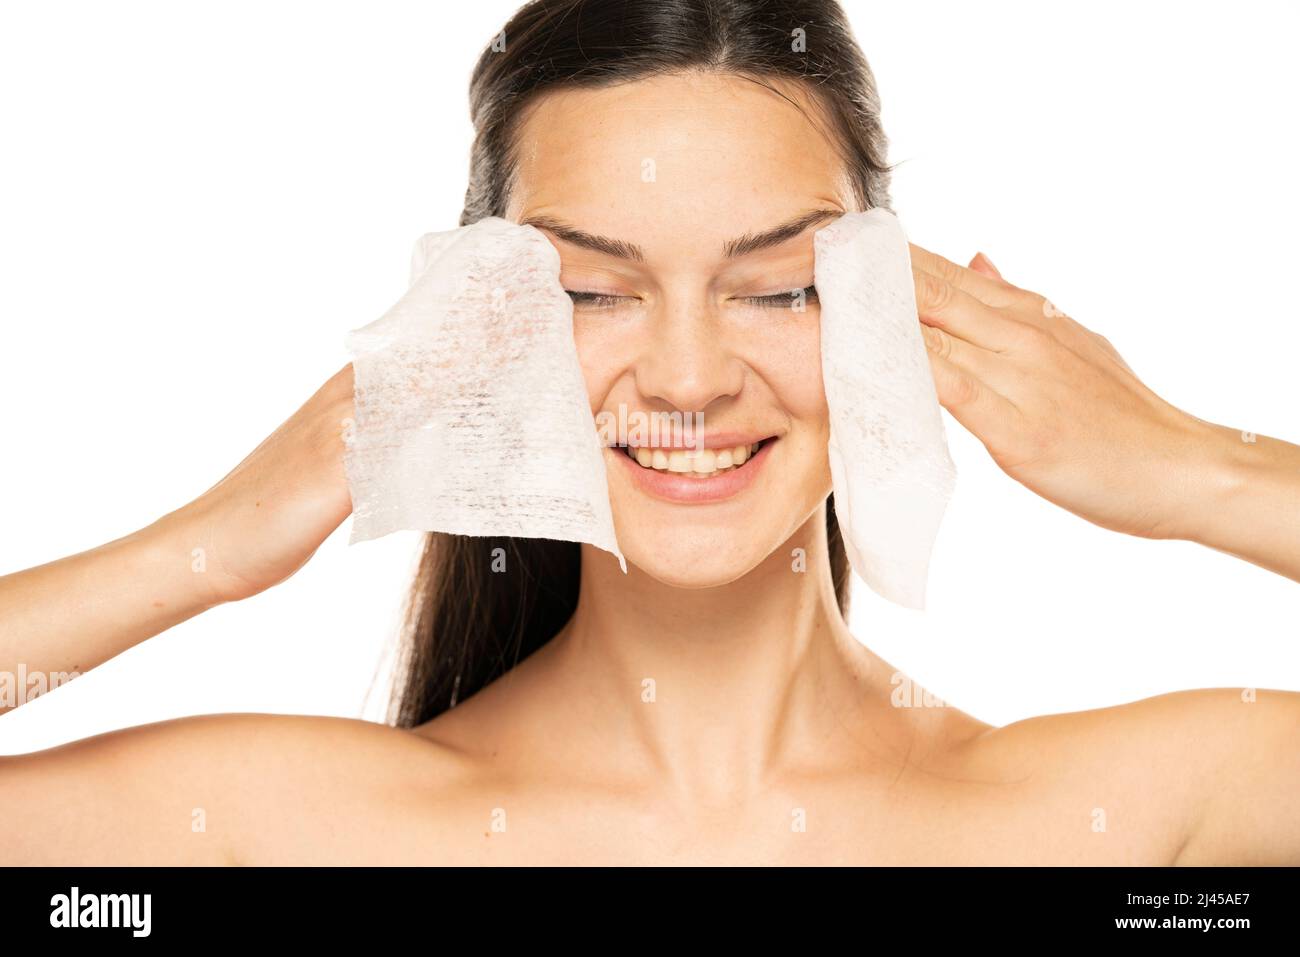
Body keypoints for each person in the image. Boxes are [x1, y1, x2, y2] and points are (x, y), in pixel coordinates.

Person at [2, 0, 1297, 865]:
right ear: (480, 319)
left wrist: (1191, 468)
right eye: (591, 292)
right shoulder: (279, 826)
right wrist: (213, 547)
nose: (687, 376)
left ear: (891, 307)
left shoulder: (1135, 815)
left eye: (782, 284)